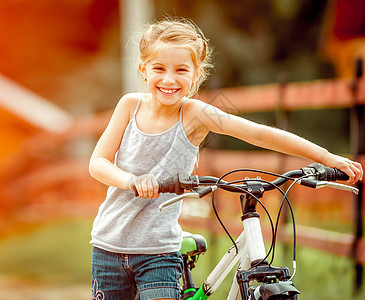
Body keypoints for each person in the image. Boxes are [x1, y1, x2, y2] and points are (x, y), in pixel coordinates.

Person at [88, 17, 363, 300]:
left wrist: (327, 157)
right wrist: (131, 180)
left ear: (196, 74)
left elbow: (259, 134)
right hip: (109, 245)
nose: (169, 79)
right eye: (159, 68)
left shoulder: (195, 115)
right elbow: (98, 163)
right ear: (143, 70)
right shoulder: (129, 105)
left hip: (158, 252)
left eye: (181, 70)